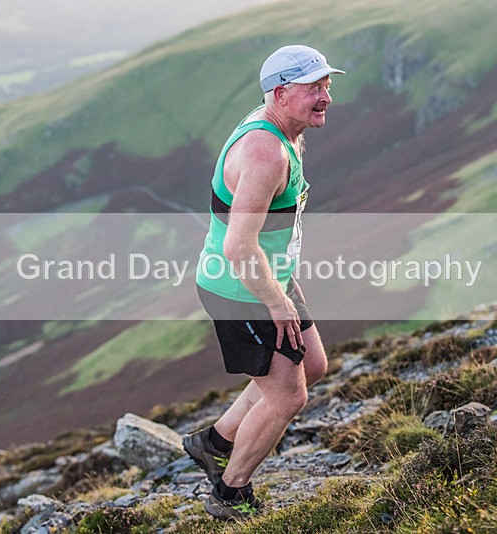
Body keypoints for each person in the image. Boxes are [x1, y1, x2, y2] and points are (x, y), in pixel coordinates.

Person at [185, 45, 344, 520]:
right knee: (289, 394)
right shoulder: (265, 152)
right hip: (240, 288)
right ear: (279, 92)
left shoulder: (285, 129)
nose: (325, 98)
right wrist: (276, 303)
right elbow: (237, 248)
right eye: (313, 88)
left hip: (268, 276)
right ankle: (230, 494)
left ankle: (213, 443)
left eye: (327, 86)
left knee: (312, 363)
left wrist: (282, 287)